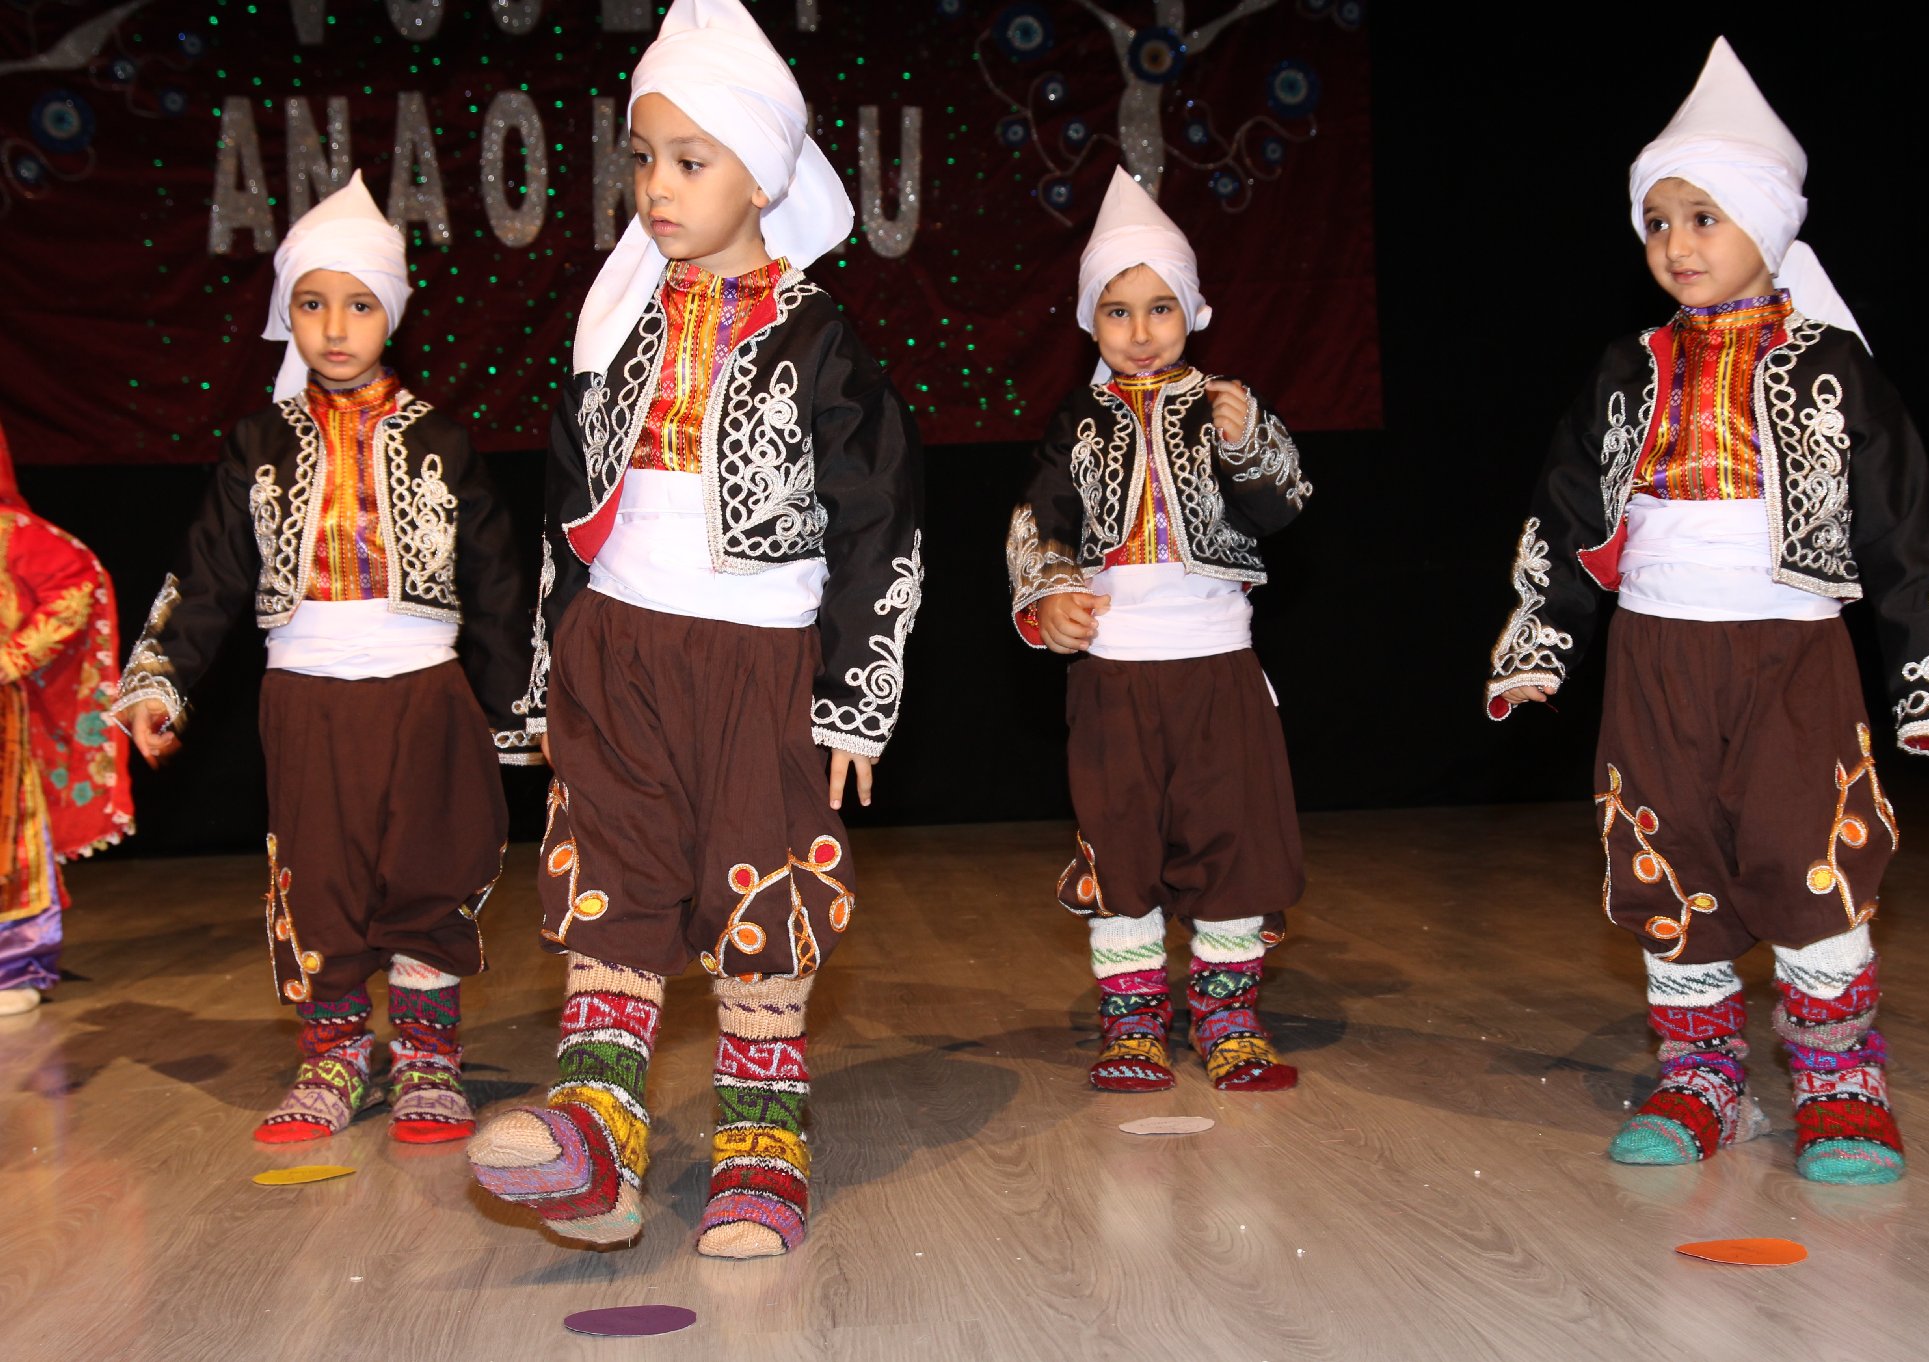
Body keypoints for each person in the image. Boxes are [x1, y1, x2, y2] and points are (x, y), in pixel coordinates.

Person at [1484, 38, 1929, 1184]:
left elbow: (1905, 527)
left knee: (1809, 850)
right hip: (1656, 656)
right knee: (1664, 854)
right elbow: (1566, 510)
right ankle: (1704, 1078)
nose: (1676, 244)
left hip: (1789, 656)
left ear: (1767, 223)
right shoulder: (1626, 367)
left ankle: (1839, 1079)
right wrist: (1541, 641)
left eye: (1704, 218)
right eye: (1658, 222)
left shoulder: (1836, 371)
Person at [466, 0, 922, 1258]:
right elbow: (566, 513)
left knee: (757, 888)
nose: (656, 188)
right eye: (643, 159)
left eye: (689, 160)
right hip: (620, 652)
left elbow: (880, 518)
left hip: (757, 663)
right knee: (609, 882)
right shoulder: (614, 325)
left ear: (761, 176)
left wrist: (856, 696)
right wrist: (554, 673)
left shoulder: (822, 341)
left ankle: (761, 1149)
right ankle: (596, 1143)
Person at [112, 171, 536, 1143]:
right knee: (320, 877)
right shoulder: (257, 444)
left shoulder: (443, 440)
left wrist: (530, 714)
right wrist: (161, 681)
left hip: (425, 693)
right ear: (287, 314)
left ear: (391, 313)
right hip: (306, 695)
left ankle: (427, 1060)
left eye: (359, 304)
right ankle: (336, 1056)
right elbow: (210, 574)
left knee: (429, 867)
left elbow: (500, 588)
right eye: (312, 304)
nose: (335, 327)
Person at [1005, 167, 1312, 1096]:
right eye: (1117, 312)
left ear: (1192, 312)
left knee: (1233, 840)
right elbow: (1040, 518)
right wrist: (1050, 595)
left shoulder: (1228, 403)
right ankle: (1133, 1023)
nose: (1139, 332)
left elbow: (1280, 509)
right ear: (1090, 323)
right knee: (1120, 844)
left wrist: (1247, 445)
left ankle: (1227, 1019)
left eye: (1159, 309)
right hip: (1115, 671)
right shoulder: (1077, 419)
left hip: (1217, 666)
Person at [0, 418, 132, 1016]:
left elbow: (77, 583)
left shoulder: (12, 533)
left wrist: (12, 657)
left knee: (8, 837)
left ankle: (12, 964)